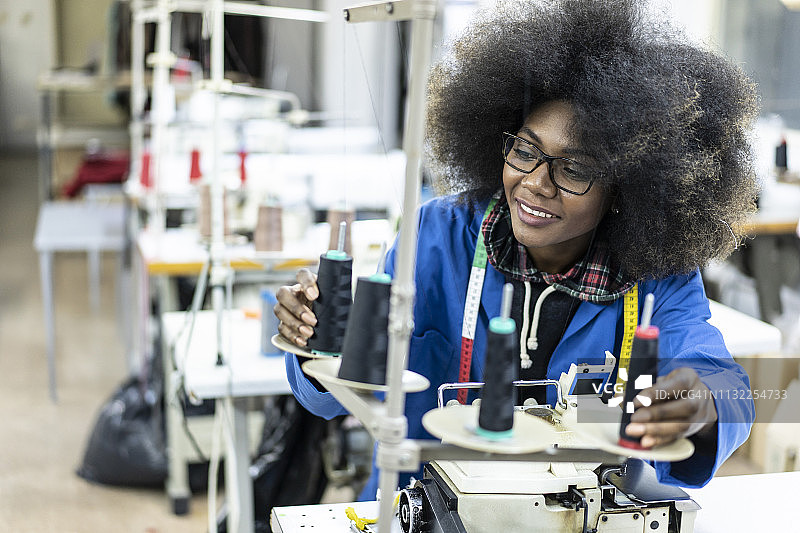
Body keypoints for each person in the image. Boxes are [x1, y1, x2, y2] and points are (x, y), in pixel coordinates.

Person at [274, 0, 758, 500]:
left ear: (625, 187)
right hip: (424, 502)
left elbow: (720, 376)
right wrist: (319, 337)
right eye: (525, 150)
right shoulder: (437, 235)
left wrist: (703, 404)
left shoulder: (655, 274)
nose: (534, 184)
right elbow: (338, 394)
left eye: (573, 169)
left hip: (575, 510)